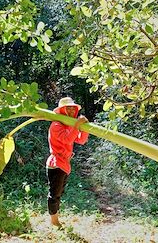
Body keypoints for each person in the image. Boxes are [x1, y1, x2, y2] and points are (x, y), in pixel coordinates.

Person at [46, 97, 89, 227]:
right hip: (56, 163)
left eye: (73, 108)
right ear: (62, 110)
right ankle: (54, 222)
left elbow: (80, 140)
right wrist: (77, 125)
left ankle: (55, 218)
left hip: (64, 163)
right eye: (68, 108)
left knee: (59, 192)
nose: (71, 110)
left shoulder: (68, 125)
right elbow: (67, 139)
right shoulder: (56, 125)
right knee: (54, 194)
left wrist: (84, 128)